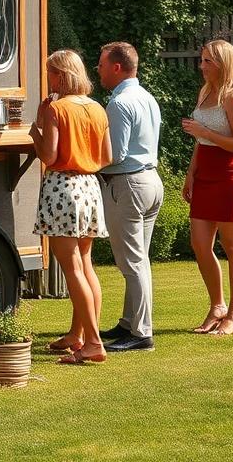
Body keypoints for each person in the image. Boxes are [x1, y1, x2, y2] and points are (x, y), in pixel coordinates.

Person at [31, 49, 112, 365]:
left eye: (50, 73)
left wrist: (35, 131)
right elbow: (107, 157)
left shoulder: (57, 109)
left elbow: (49, 156)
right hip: (90, 188)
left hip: (62, 188)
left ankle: (92, 342)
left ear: (61, 76)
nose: (48, 79)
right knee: (86, 265)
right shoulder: (97, 108)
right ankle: (79, 335)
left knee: (73, 269)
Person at [180, 39, 233, 336]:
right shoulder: (205, 92)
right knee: (200, 244)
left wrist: (205, 131)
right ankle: (217, 306)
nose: (202, 66)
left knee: (231, 244)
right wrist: (190, 174)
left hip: (230, 175)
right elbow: (201, 142)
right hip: (205, 174)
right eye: (202, 60)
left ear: (223, 63)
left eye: (208, 61)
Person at [96, 41, 164, 353]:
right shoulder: (148, 97)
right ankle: (129, 322)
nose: (98, 70)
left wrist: (85, 160)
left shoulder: (119, 103)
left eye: (101, 64)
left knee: (133, 262)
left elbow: (116, 154)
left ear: (117, 67)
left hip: (129, 185)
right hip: (150, 182)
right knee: (139, 259)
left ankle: (141, 333)